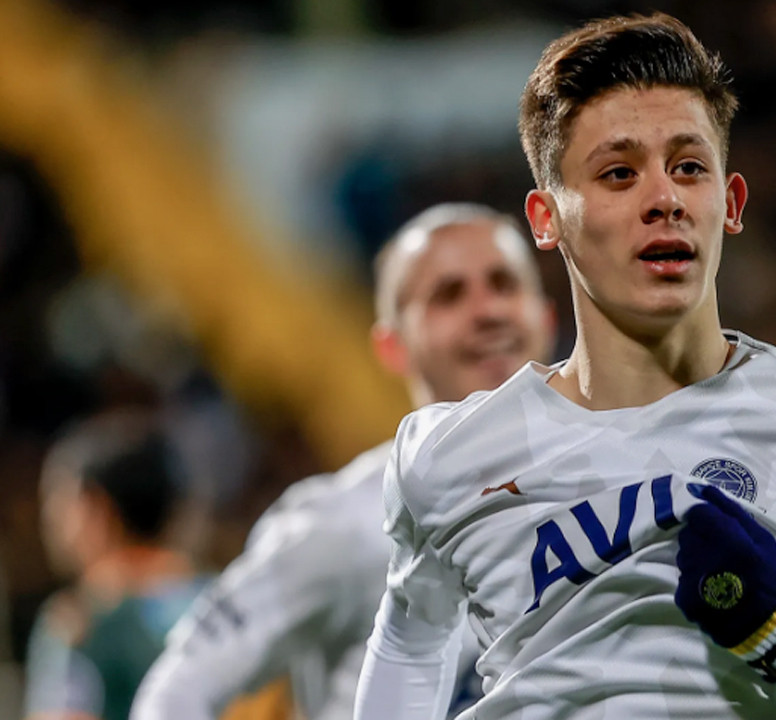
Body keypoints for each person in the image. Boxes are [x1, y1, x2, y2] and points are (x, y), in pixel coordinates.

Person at [354, 13, 776, 720]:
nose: (664, 200)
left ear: (731, 202)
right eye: (619, 174)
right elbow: (409, 650)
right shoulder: (446, 455)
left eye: (689, 167)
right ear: (545, 218)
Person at [130, 203, 556, 720]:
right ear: (393, 346)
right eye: (449, 295)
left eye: (504, 285)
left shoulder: (617, 476)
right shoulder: (341, 521)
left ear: (547, 315)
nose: (487, 311)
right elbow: (178, 688)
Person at [23, 409, 208, 720]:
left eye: (59, 498)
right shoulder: (223, 600)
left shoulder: (80, 621)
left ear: (96, 507)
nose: (50, 517)